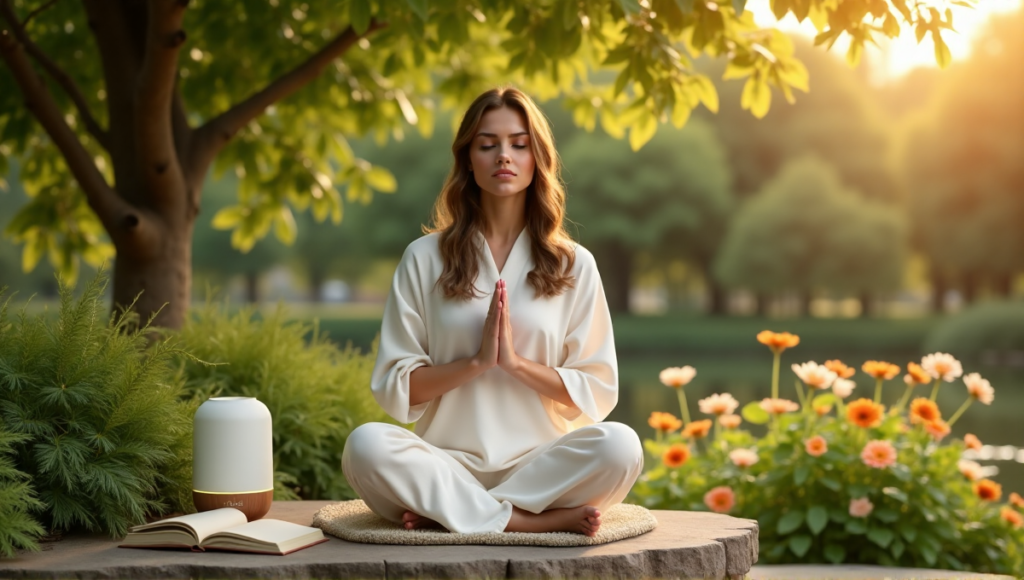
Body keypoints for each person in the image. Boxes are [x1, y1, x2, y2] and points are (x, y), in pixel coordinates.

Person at [342, 86, 642, 537]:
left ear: (537, 157)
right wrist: (477, 363)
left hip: (541, 467)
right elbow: (397, 387)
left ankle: (455, 514)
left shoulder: (573, 263)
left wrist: (516, 365)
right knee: (365, 445)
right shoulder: (424, 258)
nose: (504, 155)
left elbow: (597, 390)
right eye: (488, 144)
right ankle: (521, 520)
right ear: (468, 158)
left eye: (519, 144)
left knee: (621, 446)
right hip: (445, 462)